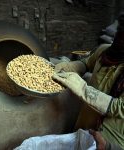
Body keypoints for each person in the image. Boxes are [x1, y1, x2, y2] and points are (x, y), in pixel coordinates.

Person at [15, 13, 124, 150]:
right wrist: (71, 67)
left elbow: (120, 108)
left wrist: (83, 89)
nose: (121, 40)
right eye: (120, 33)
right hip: (85, 123)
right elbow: (86, 63)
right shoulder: (105, 51)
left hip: (109, 139)